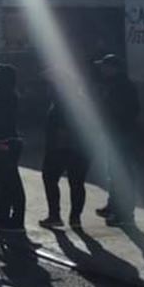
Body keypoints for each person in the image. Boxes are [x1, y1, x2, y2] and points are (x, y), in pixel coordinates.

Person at [93, 54, 139, 227]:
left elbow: (128, 111)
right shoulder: (112, 84)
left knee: (122, 173)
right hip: (113, 133)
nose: (102, 70)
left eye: (105, 67)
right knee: (113, 171)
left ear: (114, 68)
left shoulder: (123, 87)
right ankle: (112, 205)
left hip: (121, 133)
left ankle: (124, 212)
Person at [0, 62, 26, 234]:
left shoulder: (7, 97)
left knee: (11, 182)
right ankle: (1, 215)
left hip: (5, 143)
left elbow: (2, 122)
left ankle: (16, 220)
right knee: (0, 181)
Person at [39, 87, 89, 229]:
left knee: (50, 179)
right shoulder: (82, 104)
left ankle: (55, 215)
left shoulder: (59, 106)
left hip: (60, 149)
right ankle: (75, 218)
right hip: (80, 150)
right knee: (77, 183)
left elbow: (57, 129)